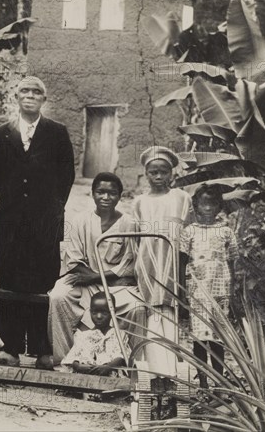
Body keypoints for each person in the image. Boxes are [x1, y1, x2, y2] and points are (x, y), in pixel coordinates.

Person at [0, 76, 75, 366]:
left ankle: (40, 349)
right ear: (16, 96)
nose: (30, 95)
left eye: (37, 92)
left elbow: (67, 175)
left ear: (44, 100)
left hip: (44, 222)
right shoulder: (3, 133)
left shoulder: (57, 132)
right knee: (11, 281)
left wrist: (51, 207)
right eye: (25, 90)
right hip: (10, 221)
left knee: (41, 281)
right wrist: (13, 198)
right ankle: (8, 347)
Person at [48, 172, 145, 365]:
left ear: (120, 196)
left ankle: (133, 367)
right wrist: (96, 276)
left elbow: (128, 266)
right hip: (85, 282)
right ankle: (67, 362)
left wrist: (95, 277)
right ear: (92, 194)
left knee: (138, 308)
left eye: (112, 193)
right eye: (100, 192)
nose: (106, 197)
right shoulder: (80, 220)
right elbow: (74, 261)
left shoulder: (129, 223)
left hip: (116, 286)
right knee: (59, 296)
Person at [132, 146, 192, 386]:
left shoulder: (182, 198)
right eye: (153, 172)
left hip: (173, 266)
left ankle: (172, 374)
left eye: (163, 172)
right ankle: (154, 375)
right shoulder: (139, 202)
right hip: (147, 266)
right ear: (146, 174)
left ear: (171, 173)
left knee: (170, 316)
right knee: (151, 317)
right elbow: (135, 238)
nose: (158, 177)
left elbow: (189, 234)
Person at [180, 185, 238, 389]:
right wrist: (182, 292)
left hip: (220, 293)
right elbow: (181, 262)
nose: (207, 208)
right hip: (197, 294)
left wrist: (233, 293)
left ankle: (220, 382)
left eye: (212, 204)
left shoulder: (226, 232)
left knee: (217, 338)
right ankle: (203, 382)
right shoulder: (189, 232)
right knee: (199, 339)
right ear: (195, 205)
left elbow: (232, 263)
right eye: (203, 203)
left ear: (219, 207)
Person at [62, 292, 130, 376]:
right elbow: (73, 357)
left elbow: (120, 357)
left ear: (113, 312)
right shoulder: (83, 336)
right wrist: (79, 366)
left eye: (104, 313)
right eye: (94, 312)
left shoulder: (118, 335)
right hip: (87, 375)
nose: (99, 316)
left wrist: (108, 367)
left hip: (110, 375)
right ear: (90, 311)